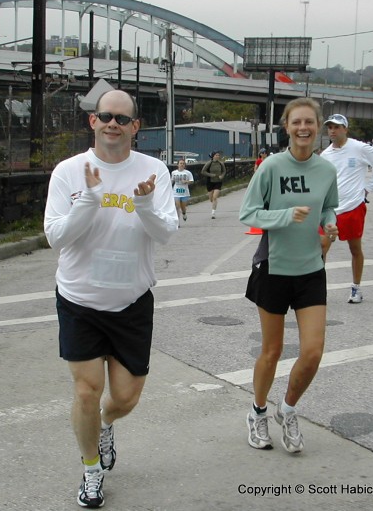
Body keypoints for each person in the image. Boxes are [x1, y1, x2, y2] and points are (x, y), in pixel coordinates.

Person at [44, 89, 177, 508]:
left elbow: (166, 233)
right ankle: (90, 470)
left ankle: (106, 423)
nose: (113, 124)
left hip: (132, 301)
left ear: (136, 126)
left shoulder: (154, 171)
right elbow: (55, 237)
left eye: (122, 118)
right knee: (86, 391)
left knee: (124, 397)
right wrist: (88, 199)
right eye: (105, 116)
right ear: (93, 122)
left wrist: (143, 204)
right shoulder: (69, 171)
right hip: (79, 299)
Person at [239, 97, 339, 454]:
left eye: (309, 122)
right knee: (272, 351)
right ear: (287, 126)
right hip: (274, 268)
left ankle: (288, 410)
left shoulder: (326, 170)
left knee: (312, 352)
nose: (303, 128)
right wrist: (284, 217)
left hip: (311, 267)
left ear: (318, 126)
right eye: (296, 122)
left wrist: (330, 223)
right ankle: (258, 412)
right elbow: (248, 213)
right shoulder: (271, 167)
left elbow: (328, 205)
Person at [320, 114, 373, 304]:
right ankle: (317, 288)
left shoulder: (358, 148)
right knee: (321, 246)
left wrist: (368, 188)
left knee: (354, 248)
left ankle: (356, 288)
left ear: (345, 129)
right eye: (330, 127)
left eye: (337, 127)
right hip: (331, 210)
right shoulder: (325, 155)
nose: (333, 130)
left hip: (353, 207)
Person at [201, 151, 226, 219]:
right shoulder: (209, 163)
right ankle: (214, 204)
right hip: (210, 182)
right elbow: (203, 171)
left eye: (218, 155)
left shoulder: (221, 163)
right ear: (213, 156)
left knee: (215, 197)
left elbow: (224, 171)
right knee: (211, 199)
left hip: (218, 182)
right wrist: (211, 175)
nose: (218, 156)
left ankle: (213, 213)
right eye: (216, 155)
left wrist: (222, 176)